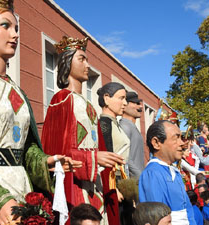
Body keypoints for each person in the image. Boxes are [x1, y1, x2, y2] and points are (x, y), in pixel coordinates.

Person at [0, 1, 78, 225]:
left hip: (23, 190)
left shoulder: (18, 90)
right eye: (6, 26)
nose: (15, 34)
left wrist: (45, 161)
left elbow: (27, 147)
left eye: (16, 28)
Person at [41, 36, 123, 225]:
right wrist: (94, 158)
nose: (87, 64)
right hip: (75, 188)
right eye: (82, 59)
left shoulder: (89, 105)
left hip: (95, 187)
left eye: (87, 59)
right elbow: (56, 152)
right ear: (67, 63)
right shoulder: (61, 99)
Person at [139, 120, 196, 224]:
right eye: (176, 138)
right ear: (156, 143)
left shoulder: (173, 171)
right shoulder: (153, 173)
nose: (182, 143)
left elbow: (188, 211)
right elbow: (159, 218)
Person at [97, 82, 133, 225]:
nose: (125, 103)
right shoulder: (104, 124)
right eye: (121, 98)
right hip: (113, 183)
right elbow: (106, 157)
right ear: (106, 98)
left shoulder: (114, 123)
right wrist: (112, 189)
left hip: (121, 182)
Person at [119, 91, 145, 178]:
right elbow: (125, 157)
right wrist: (141, 176)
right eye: (136, 103)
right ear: (125, 105)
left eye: (140, 103)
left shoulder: (131, 126)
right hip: (132, 183)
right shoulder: (124, 126)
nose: (140, 106)